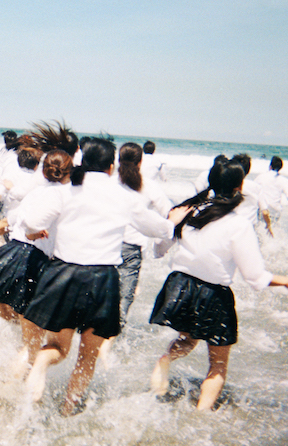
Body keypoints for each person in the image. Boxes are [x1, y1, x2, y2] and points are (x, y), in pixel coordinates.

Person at [18, 138, 189, 415]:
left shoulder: (66, 192)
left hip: (63, 274)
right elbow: (159, 230)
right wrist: (174, 221)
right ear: (112, 168)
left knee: (58, 348)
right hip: (101, 279)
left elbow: (34, 223)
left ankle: (39, 365)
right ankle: (68, 410)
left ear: (82, 162)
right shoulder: (125, 196)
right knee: (88, 356)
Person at [148, 158, 288, 410]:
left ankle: (165, 359)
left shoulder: (189, 211)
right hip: (212, 294)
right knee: (218, 365)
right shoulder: (237, 224)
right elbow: (255, 277)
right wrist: (287, 280)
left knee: (187, 340)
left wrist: (170, 226)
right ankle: (200, 415)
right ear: (238, 188)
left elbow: (159, 250)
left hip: (178, 286)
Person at [0, 149, 74, 373]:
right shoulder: (66, 196)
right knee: (32, 338)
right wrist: (34, 233)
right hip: (34, 261)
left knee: (14, 317)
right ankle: (13, 386)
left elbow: (5, 223)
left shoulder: (35, 193)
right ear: (69, 172)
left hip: (10, 251)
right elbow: (38, 227)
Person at [115, 142, 173, 329]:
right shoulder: (149, 185)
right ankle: (111, 349)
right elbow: (170, 214)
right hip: (131, 248)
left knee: (98, 296)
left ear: (119, 159)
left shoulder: (109, 181)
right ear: (140, 162)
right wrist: (161, 245)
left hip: (104, 243)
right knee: (123, 302)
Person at [256, 155, 288, 236]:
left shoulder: (261, 177)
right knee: (273, 229)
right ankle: (274, 245)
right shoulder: (284, 180)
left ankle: (262, 246)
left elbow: (254, 189)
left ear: (270, 166)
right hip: (275, 210)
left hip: (263, 209)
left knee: (260, 229)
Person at [231, 153, 263, 229]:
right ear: (248, 170)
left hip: (232, 225)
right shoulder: (256, 187)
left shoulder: (228, 184)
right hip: (250, 226)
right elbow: (264, 210)